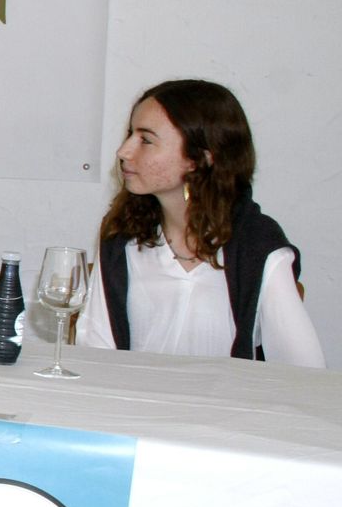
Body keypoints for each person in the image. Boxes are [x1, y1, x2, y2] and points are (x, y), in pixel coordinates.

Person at [77, 80, 323, 366]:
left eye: (145, 140)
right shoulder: (122, 234)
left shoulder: (257, 245)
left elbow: (305, 372)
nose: (124, 151)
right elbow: (95, 350)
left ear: (200, 158)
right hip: (134, 405)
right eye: (131, 134)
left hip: (225, 408)